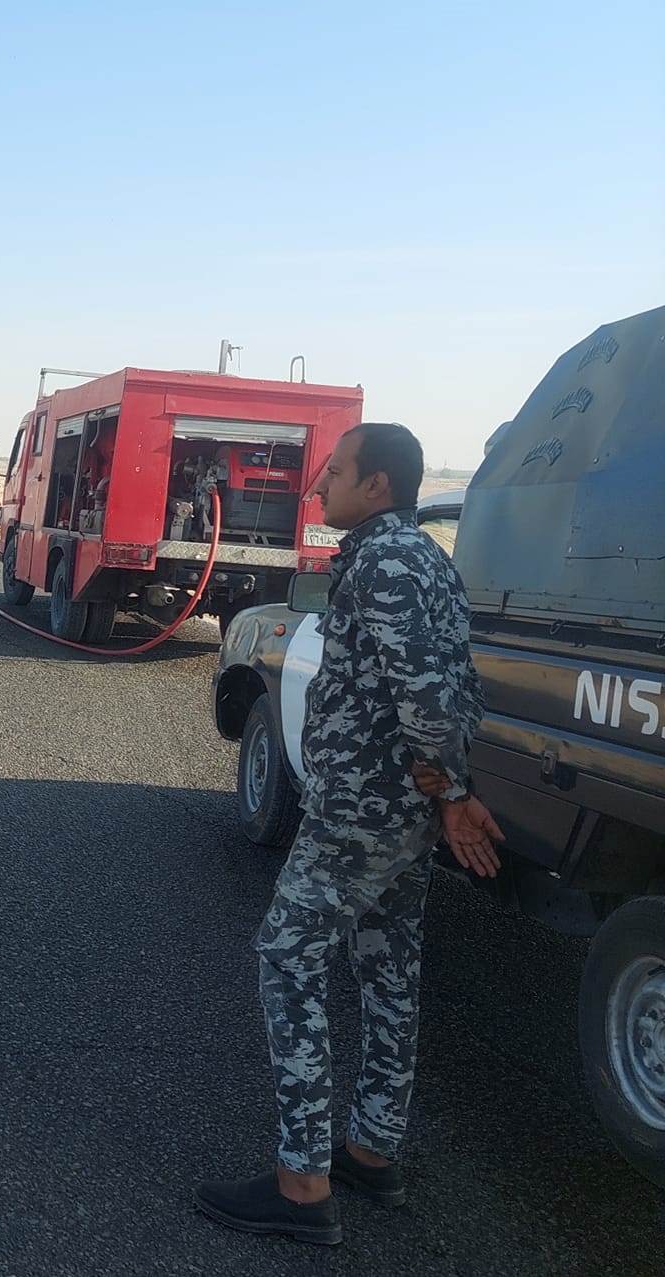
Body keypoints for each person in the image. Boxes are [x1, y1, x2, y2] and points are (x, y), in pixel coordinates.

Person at [196, 423, 497, 1247]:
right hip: (401, 814)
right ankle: (371, 1147)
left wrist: (457, 792)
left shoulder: (390, 562)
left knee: (288, 956)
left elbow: (430, 697)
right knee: (388, 969)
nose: (316, 487)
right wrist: (440, 796)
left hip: (361, 813)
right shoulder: (425, 556)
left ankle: (302, 1183)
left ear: (378, 486)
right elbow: (454, 684)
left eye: (333, 473)